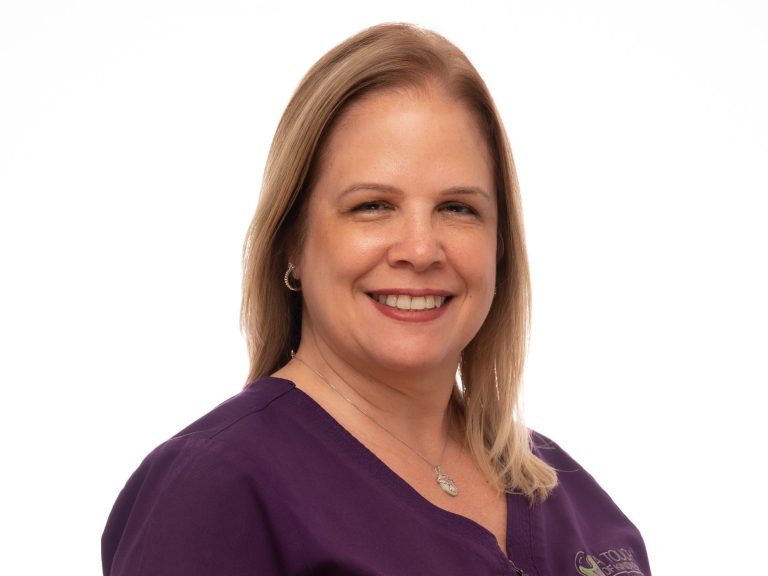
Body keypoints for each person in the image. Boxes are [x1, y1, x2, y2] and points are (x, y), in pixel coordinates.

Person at [102, 23, 652, 576]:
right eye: (372, 206)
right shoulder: (214, 491)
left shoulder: (573, 501)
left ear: (500, 244)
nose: (420, 248)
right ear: (292, 239)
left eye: (458, 208)